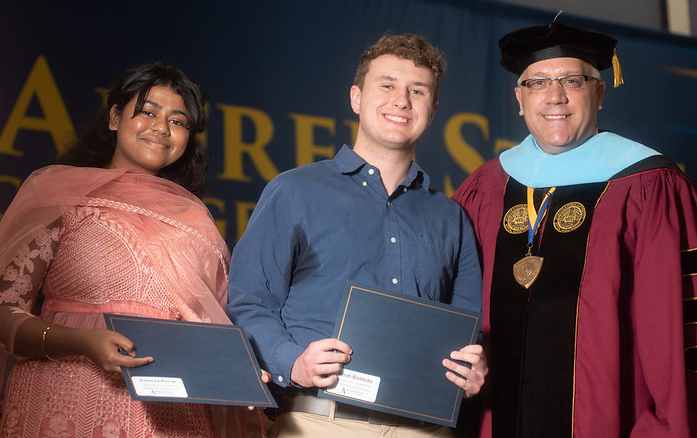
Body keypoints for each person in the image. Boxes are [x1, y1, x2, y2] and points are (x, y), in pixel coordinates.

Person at [228, 33, 487, 438]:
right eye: (387, 85)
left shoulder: (451, 217)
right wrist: (293, 361)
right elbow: (248, 303)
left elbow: (470, 328)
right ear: (356, 98)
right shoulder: (294, 191)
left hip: (424, 427)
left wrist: (472, 368)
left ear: (432, 111)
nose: (401, 101)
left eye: (416, 91)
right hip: (319, 420)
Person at [452, 19, 697, 437]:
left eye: (572, 80)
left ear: (599, 93)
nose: (555, 96)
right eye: (538, 83)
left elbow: (672, 327)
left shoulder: (648, 185)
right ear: (519, 98)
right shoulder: (484, 187)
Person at [0, 63, 247, 437]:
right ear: (115, 117)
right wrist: (82, 341)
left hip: (172, 413)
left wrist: (235, 367)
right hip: (66, 396)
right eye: (148, 112)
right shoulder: (61, 196)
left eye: (178, 121)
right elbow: (3, 312)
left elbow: (212, 326)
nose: (162, 128)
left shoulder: (196, 220)